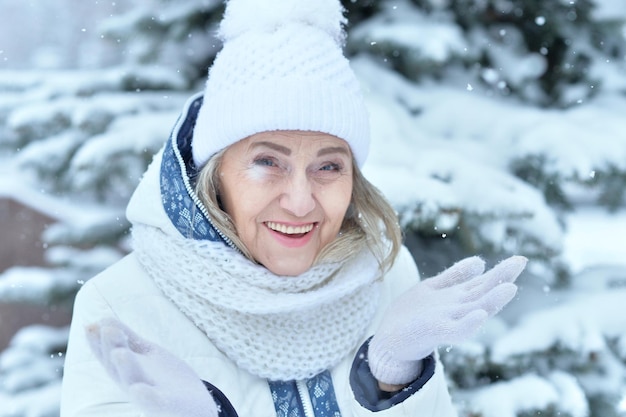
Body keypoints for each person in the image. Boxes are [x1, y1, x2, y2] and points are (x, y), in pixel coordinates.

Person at [60, 0, 527, 416]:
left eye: (328, 167)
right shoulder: (117, 306)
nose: (301, 201)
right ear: (215, 172)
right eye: (267, 162)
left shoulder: (384, 272)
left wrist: (391, 378)